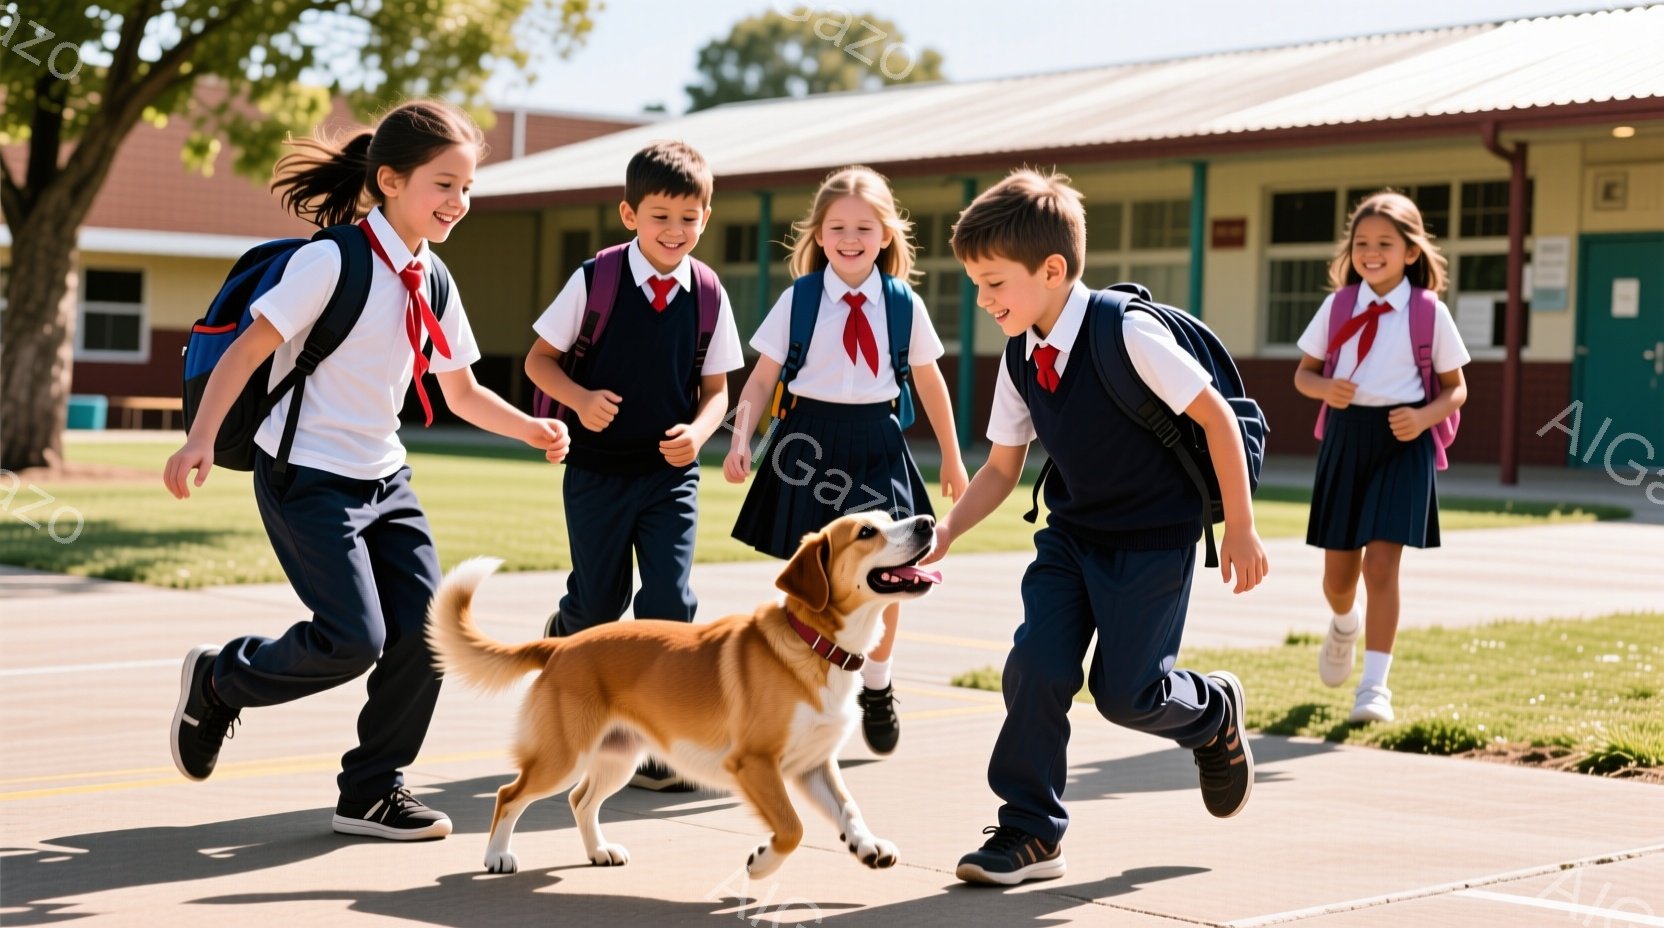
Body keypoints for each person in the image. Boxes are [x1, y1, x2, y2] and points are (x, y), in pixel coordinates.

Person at [164, 100, 569, 840]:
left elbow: (462, 391)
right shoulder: (331, 261)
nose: (459, 202)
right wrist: (199, 439)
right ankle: (222, 680)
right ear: (389, 180)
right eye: (443, 184)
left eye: (468, 188)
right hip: (304, 476)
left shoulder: (434, 278)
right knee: (353, 637)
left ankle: (372, 792)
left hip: (386, 482)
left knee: (427, 637)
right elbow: (247, 351)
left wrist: (530, 428)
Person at [923, 168, 1267, 885]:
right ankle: (1030, 831)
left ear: (1052, 270)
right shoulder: (1021, 352)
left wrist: (1241, 527)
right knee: (1036, 668)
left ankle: (1211, 713)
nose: (982, 301)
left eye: (993, 284)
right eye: (976, 284)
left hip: (1152, 542)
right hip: (1073, 537)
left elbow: (1218, 418)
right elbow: (1001, 466)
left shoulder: (1128, 333)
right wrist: (947, 529)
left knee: (1129, 696)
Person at [725, 165, 969, 756]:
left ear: (885, 234)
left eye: (864, 227)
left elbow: (932, 383)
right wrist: (740, 436)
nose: (850, 237)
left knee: (888, 575)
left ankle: (877, 686)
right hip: (805, 444)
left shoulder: (903, 303)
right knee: (811, 585)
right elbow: (760, 380)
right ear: (819, 234)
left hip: (878, 442)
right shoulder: (799, 299)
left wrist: (954, 460)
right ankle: (801, 695)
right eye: (837, 227)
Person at [524, 140, 744, 791]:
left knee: (670, 602)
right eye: (660, 216)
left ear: (705, 217)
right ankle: (566, 633)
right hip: (596, 470)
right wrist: (580, 400)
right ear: (629, 214)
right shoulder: (596, 279)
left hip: (670, 477)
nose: (674, 231)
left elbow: (718, 391)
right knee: (599, 606)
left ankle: (654, 743)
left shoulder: (707, 292)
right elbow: (539, 362)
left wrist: (700, 434)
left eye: (688, 218)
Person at [1294, 190, 1469, 724]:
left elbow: (1456, 389)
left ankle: (1374, 689)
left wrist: (1423, 417)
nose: (1372, 253)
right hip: (1348, 438)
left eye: (1385, 244)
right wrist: (1327, 391)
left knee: (1383, 566)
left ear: (1410, 252)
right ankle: (1343, 623)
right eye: (1362, 243)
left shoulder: (1428, 313)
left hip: (1405, 439)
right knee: (1338, 579)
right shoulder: (1339, 305)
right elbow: (1303, 375)